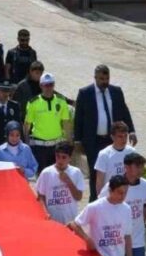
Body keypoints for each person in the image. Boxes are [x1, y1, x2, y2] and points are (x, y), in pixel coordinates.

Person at [74, 65, 137, 200]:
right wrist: (78, 141)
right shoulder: (85, 93)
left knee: (114, 171)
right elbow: (78, 118)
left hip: (113, 140)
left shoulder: (116, 92)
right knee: (96, 172)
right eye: (101, 79)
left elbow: (125, 111)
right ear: (95, 77)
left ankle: (116, 197)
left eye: (107, 78)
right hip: (94, 141)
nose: (104, 81)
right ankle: (95, 200)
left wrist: (131, 131)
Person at [98, 153, 146, 256]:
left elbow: (144, 207)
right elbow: (101, 205)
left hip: (137, 240)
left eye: (142, 166)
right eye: (137, 166)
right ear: (126, 167)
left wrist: (142, 225)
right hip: (116, 240)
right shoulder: (114, 184)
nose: (140, 170)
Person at [68, 175, 133, 256]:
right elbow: (74, 224)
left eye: (125, 192)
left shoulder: (127, 209)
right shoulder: (95, 207)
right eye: (120, 192)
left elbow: (127, 237)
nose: (123, 196)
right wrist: (87, 239)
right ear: (110, 190)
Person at [24, 72, 72, 172]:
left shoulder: (61, 101)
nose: (48, 88)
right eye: (46, 85)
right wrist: (27, 143)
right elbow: (27, 125)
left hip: (57, 146)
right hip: (39, 146)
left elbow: (66, 123)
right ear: (41, 86)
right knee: (41, 175)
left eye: (51, 84)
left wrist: (69, 142)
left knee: (57, 174)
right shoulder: (33, 102)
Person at [35, 142, 84, 226]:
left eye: (64, 157)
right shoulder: (46, 173)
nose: (60, 160)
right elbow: (40, 196)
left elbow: (78, 197)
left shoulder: (76, 172)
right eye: (58, 156)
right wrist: (45, 212)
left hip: (70, 220)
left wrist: (68, 181)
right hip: (52, 221)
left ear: (70, 158)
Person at [93, 122, 136, 198]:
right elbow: (99, 181)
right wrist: (100, 200)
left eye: (126, 136)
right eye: (120, 136)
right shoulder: (104, 154)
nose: (124, 139)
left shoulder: (132, 152)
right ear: (112, 137)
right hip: (111, 196)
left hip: (128, 196)